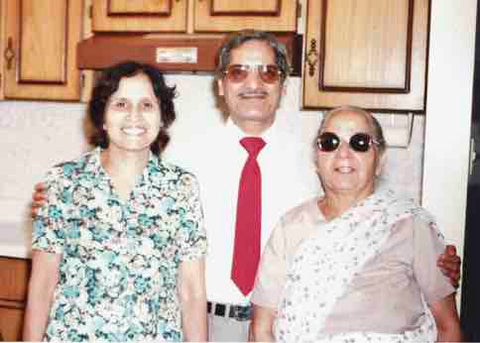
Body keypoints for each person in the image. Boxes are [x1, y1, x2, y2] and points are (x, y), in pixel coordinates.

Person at [29, 31, 461, 342]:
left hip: (276, 326)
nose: (253, 84)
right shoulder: (181, 158)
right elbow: (117, 187)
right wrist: (52, 197)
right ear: (221, 85)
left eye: (267, 73)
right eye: (238, 72)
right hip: (197, 323)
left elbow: (366, 223)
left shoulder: (319, 158)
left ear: (283, 85)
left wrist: (433, 260)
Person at [23, 61, 207, 342]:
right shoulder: (64, 182)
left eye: (147, 105)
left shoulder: (181, 187)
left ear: (162, 117)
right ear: (103, 118)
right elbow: (42, 285)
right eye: (120, 104)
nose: (134, 116)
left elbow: (192, 291)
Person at [250, 106, 462, 342]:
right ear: (317, 159)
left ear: (379, 160)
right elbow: (261, 330)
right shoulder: (290, 228)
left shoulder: (411, 226)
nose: (343, 153)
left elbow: (448, 328)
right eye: (330, 142)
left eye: (359, 142)